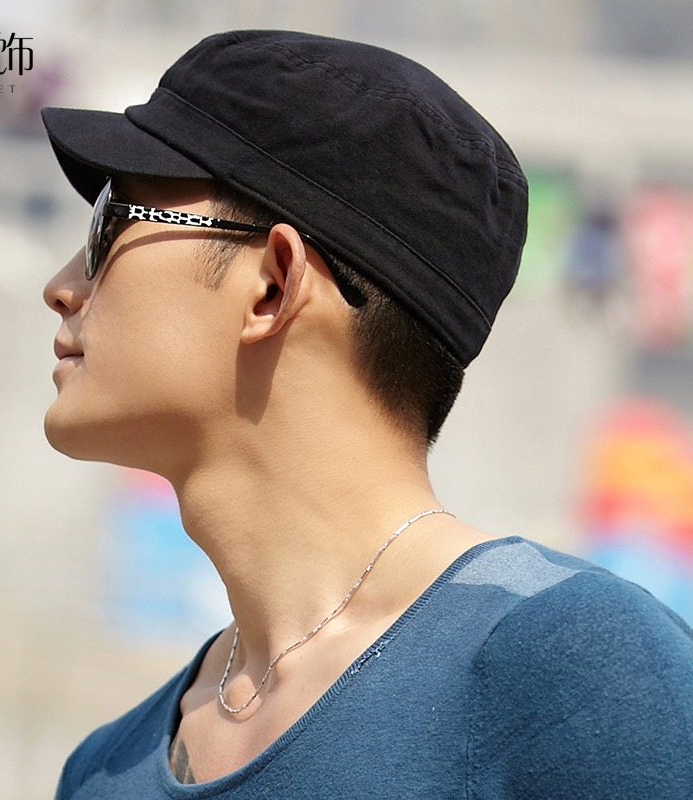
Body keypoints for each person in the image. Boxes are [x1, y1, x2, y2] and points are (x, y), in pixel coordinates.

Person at [40, 30, 693, 799]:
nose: (61, 286)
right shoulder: (99, 770)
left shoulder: (581, 669)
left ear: (272, 285)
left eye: (110, 222)